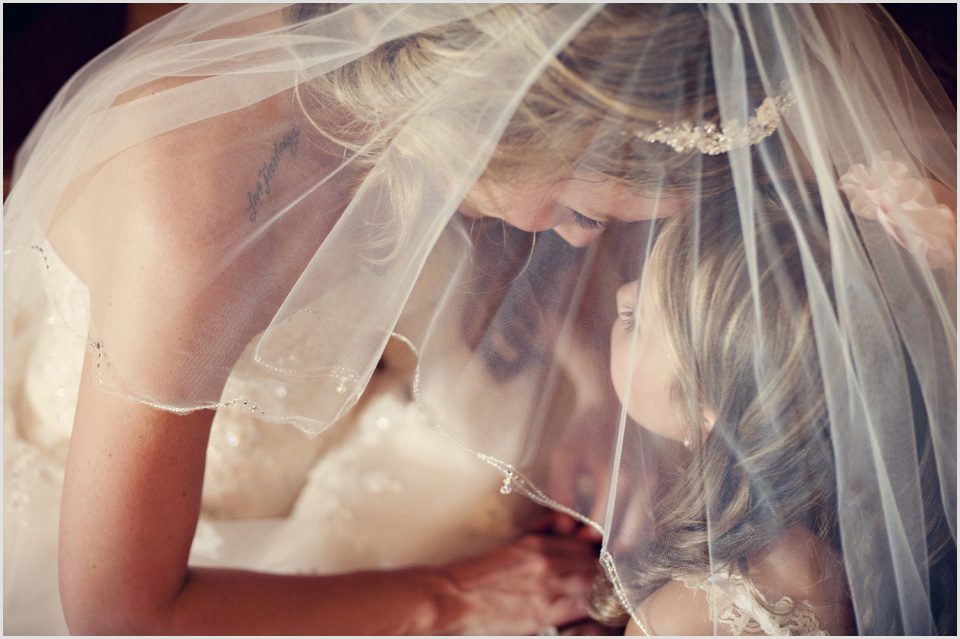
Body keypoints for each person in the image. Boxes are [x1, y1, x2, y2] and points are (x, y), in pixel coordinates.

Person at [3, 3, 955, 635]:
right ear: (519, 115)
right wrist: (459, 590)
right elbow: (120, 611)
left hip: (354, 419)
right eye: (583, 209)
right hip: (141, 530)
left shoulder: (464, 52)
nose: (581, 248)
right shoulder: (198, 224)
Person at [590, 186, 953, 635]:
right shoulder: (868, 556)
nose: (621, 295)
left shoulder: (682, 623)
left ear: (705, 403)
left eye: (636, 319)